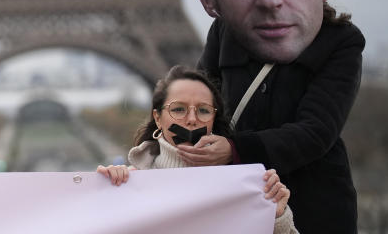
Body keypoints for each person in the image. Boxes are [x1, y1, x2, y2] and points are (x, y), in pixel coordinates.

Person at [183, 0, 364, 234]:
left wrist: (233, 150)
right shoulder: (223, 35)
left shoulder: (341, 43)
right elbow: (196, 112)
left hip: (312, 215)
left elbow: (315, 133)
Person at [97, 66, 297, 234]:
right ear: (157, 118)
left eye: (203, 110)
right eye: (178, 109)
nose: (192, 119)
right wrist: (104, 197)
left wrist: (276, 218)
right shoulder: (130, 182)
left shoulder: (245, 186)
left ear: (213, 120)